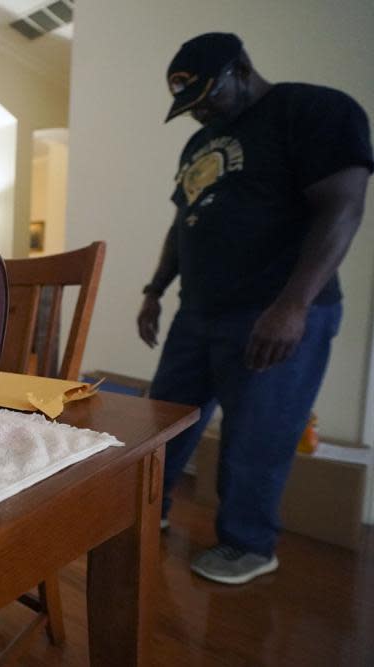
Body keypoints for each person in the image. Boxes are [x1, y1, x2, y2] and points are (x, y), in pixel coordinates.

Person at [138, 33, 371, 585]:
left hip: (275, 310)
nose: (199, 114)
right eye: (189, 107)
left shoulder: (313, 109)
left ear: (241, 69)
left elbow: (344, 203)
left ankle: (248, 544)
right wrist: (154, 290)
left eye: (205, 98)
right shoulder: (200, 145)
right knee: (164, 421)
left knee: (257, 434)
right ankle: (150, 509)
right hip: (198, 311)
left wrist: (293, 305)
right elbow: (183, 222)